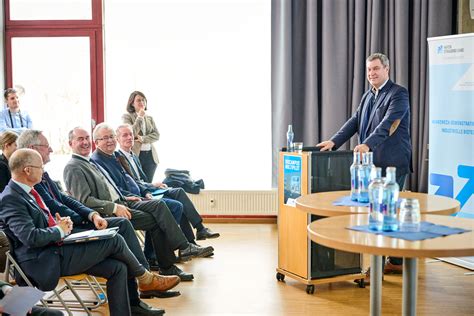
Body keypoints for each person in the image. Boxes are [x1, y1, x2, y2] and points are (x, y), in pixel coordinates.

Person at [0, 149, 178, 315]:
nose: (43, 170)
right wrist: (58, 230)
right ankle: (145, 278)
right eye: (40, 167)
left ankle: (134, 298)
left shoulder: (28, 192)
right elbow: (30, 237)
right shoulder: (11, 198)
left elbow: (44, 221)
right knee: (114, 240)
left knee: (118, 268)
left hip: (56, 249)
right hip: (42, 261)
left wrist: (60, 225)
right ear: (27, 170)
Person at [64, 127, 213, 281]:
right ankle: (171, 260)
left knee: (160, 207)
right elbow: (84, 201)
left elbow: (112, 188)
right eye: (80, 139)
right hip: (108, 212)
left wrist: (127, 197)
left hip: (124, 201)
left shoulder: (89, 162)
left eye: (86, 138)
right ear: (71, 143)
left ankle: (175, 257)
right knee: (158, 217)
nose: (85, 142)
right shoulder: (74, 166)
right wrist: (115, 207)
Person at [317, 52, 411, 273]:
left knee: (385, 215)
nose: (372, 74)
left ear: (387, 69)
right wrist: (334, 141)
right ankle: (395, 262)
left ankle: (380, 267)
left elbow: (389, 124)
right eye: (369, 70)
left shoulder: (399, 94)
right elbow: (355, 121)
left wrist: (367, 144)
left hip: (392, 164)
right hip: (369, 165)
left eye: (376, 69)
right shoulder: (368, 95)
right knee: (375, 214)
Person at [115, 123, 220, 242]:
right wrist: (152, 186)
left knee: (179, 191)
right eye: (125, 135)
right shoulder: (118, 158)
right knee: (177, 202)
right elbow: (133, 183)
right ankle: (192, 239)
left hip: (147, 188)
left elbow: (141, 179)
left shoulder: (134, 156)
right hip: (140, 194)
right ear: (117, 139)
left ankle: (199, 230)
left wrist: (154, 185)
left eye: (131, 134)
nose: (129, 137)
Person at [122, 91, 159, 183]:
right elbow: (131, 133)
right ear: (132, 103)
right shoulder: (127, 117)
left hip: (151, 156)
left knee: (149, 184)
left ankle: (150, 198)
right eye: (138, 100)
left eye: (143, 100)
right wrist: (140, 117)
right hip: (136, 155)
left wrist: (142, 139)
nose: (142, 102)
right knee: (138, 183)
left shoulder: (149, 118)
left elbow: (156, 135)